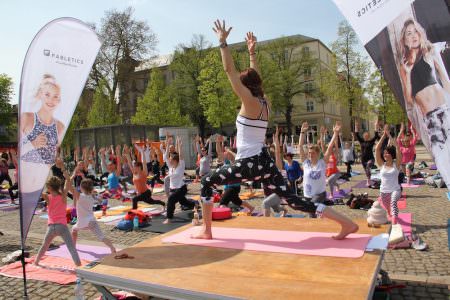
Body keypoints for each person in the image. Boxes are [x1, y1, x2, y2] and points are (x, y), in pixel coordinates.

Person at [194, 20, 358, 240]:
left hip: (249, 163)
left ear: (245, 87)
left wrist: (223, 43)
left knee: (206, 182)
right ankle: (346, 223)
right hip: (265, 162)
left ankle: (206, 230)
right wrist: (252, 53)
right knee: (295, 201)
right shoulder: (265, 102)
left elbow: (228, 70)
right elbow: (255, 76)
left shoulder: (249, 102)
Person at [399, 18, 450, 189]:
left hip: (445, 108)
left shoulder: (429, 51)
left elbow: (444, 79)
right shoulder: (404, 64)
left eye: (415, 31)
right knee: (442, 159)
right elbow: (408, 99)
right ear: (404, 40)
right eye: (408, 33)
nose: (413, 36)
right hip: (430, 118)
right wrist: (408, 73)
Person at [20, 74, 65, 196]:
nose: (51, 100)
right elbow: (16, 151)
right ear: (40, 94)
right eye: (47, 95)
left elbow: (53, 156)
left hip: (45, 184)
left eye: (55, 96)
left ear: (59, 100)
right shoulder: (27, 118)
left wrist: (57, 161)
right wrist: (32, 144)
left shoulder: (60, 126)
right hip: (27, 182)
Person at [34, 174, 81, 266]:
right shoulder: (63, 196)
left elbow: (37, 191)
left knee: (44, 246)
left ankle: (36, 262)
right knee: (71, 247)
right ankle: (78, 264)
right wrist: (63, 169)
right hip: (62, 226)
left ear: (49, 187)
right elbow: (68, 181)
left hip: (51, 227)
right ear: (58, 186)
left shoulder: (47, 197)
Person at [71, 178, 116, 253]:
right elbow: (102, 200)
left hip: (83, 222)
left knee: (74, 229)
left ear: (81, 188)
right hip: (92, 220)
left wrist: (69, 175)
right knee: (101, 236)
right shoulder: (92, 196)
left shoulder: (80, 196)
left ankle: (73, 246)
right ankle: (112, 248)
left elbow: (69, 186)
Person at [216, 135, 255, 213]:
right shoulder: (226, 162)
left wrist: (229, 151)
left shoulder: (235, 161)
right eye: (225, 153)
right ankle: (251, 208)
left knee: (223, 203)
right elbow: (219, 153)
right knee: (237, 201)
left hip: (233, 187)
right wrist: (217, 142)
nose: (225, 154)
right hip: (228, 187)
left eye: (226, 153)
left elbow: (236, 156)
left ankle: (222, 215)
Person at [163, 136, 196, 224]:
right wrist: (167, 144)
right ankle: (195, 204)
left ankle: (169, 218)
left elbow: (180, 156)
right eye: (170, 160)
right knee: (184, 202)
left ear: (176, 161)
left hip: (181, 188)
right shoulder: (170, 167)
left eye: (171, 160)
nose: (170, 161)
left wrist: (180, 146)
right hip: (172, 189)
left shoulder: (180, 166)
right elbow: (165, 156)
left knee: (171, 200)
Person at [375, 125, 402, 224]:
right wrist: (383, 135)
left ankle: (394, 221)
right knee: (387, 207)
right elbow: (377, 149)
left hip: (395, 190)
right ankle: (389, 212)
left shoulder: (397, 165)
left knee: (393, 202)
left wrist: (389, 135)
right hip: (383, 191)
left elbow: (398, 148)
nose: (385, 155)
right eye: (384, 153)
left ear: (391, 154)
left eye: (387, 153)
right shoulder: (381, 165)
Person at [354, 120, 380, 187]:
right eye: (365, 135)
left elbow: (376, 135)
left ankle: (369, 180)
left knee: (368, 166)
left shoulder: (371, 141)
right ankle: (369, 179)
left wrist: (375, 126)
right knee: (366, 170)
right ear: (363, 136)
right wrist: (356, 127)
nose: (366, 136)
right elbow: (356, 134)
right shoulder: (361, 141)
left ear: (368, 136)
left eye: (367, 135)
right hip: (363, 159)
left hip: (370, 158)